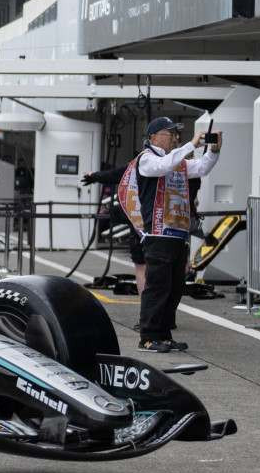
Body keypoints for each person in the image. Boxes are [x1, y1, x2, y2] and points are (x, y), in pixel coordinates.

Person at [117, 117, 220, 352]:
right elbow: (162, 166)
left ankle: (163, 334)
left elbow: (202, 167)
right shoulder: (147, 159)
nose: (175, 137)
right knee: (158, 286)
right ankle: (148, 337)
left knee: (173, 288)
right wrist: (191, 145)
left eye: (176, 134)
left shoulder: (178, 163)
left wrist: (213, 151)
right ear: (153, 137)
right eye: (170, 133)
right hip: (158, 233)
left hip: (178, 234)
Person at [82, 163, 146, 293]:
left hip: (140, 224)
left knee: (142, 267)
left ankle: (148, 308)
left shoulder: (140, 163)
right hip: (160, 227)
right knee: (153, 268)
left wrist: (94, 176)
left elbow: (115, 174)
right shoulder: (172, 163)